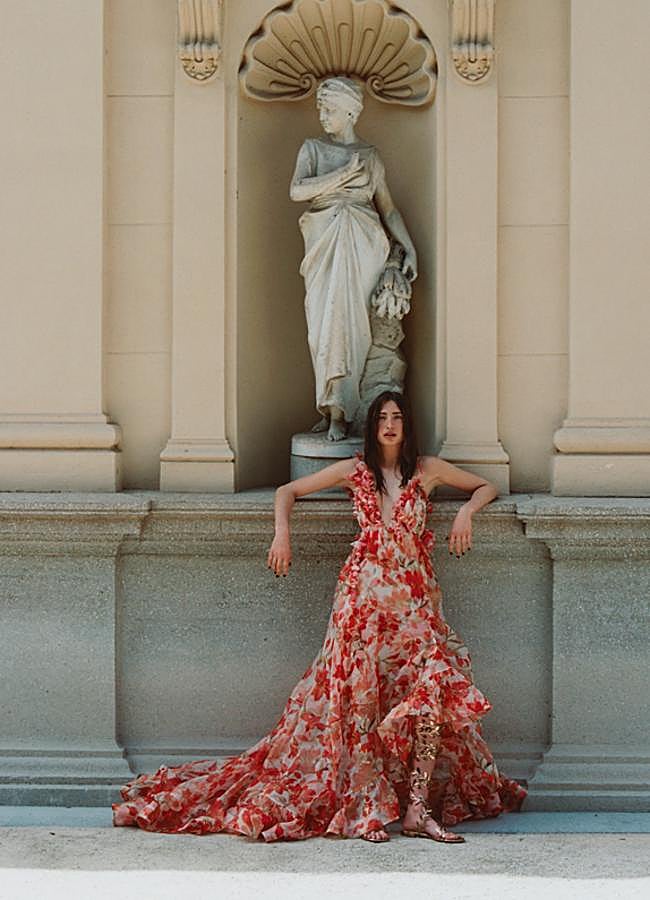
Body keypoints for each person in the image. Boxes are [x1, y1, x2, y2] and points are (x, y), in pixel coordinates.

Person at [111, 390, 526, 842]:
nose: (390, 424)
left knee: (430, 696)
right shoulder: (355, 470)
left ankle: (418, 810)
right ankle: (367, 806)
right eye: (382, 417)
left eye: (398, 417)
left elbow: (487, 486)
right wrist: (282, 536)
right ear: (372, 426)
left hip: (414, 602)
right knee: (359, 704)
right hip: (361, 603)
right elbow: (286, 491)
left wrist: (466, 512)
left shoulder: (427, 471)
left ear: (407, 426)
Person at [290, 76, 417, 441]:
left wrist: (409, 246)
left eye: (329, 109)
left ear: (350, 111)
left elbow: (388, 209)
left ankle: (346, 413)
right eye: (321, 109)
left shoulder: (371, 156)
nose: (323, 116)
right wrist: (341, 175)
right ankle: (332, 405)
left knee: (358, 325)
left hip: (365, 245)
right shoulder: (312, 149)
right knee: (326, 327)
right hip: (325, 242)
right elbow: (297, 190)